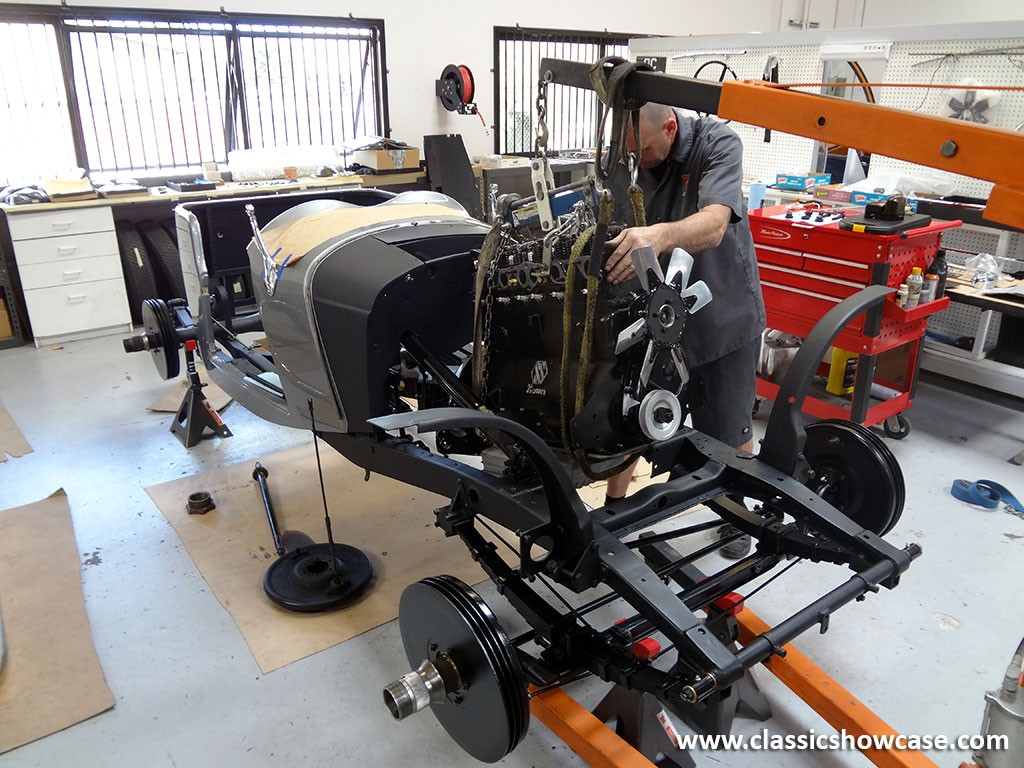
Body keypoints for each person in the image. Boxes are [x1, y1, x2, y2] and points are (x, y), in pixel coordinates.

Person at [602, 102, 765, 558]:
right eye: (630, 152)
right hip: (653, 315)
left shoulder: (718, 144)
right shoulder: (630, 155)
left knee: (728, 428)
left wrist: (656, 235)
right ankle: (615, 511)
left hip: (722, 317)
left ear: (670, 127)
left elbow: (714, 225)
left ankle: (737, 517)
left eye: (646, 150)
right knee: (632, 414)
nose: (638, 161)